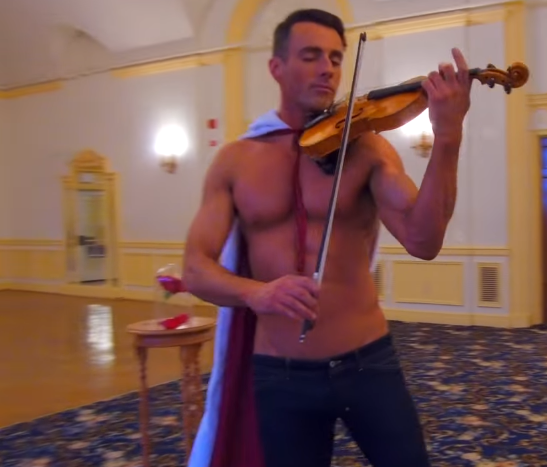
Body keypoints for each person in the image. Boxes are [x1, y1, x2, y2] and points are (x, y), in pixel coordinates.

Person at [181, 7, 472, 467]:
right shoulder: (235, 161)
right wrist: (257, 293)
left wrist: (448, 136)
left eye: (336, 58)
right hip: (278, 374)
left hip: (367, 362)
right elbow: (196, 269)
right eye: (311, 56)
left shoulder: (367, 148)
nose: (328, 69)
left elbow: (424, 240)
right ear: (276, 67)